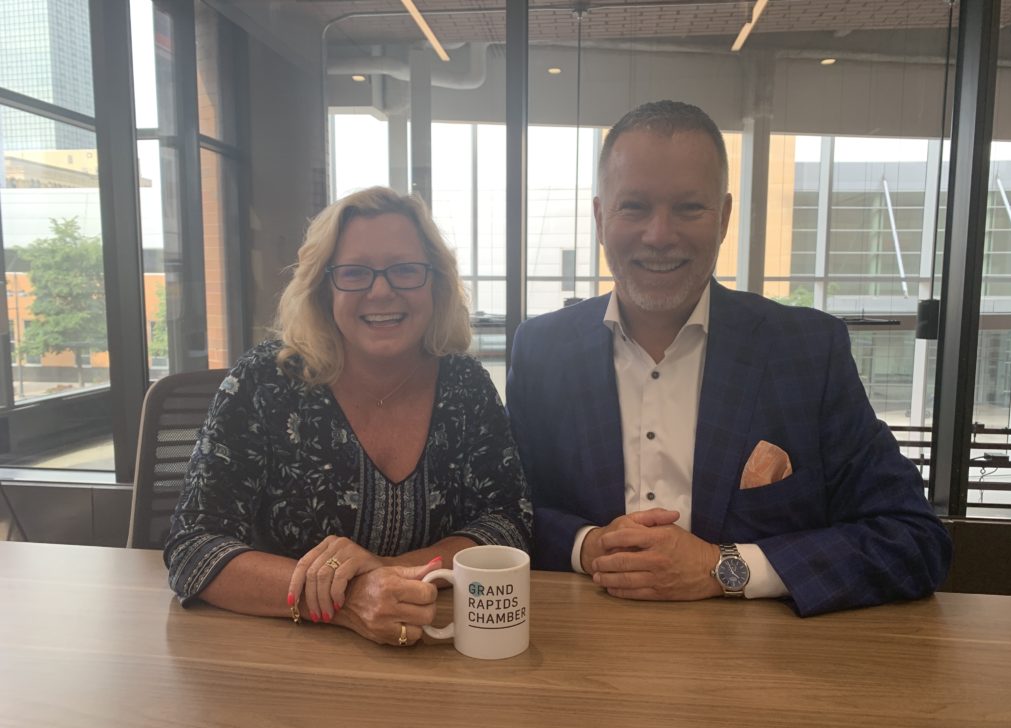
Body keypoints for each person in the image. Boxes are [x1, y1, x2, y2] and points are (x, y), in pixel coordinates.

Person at [506, 100, 951, 617]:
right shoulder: (542, 350)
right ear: (601, 217)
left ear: (723, 218)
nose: (659, 235)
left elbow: (914, 540)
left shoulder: (806, 350)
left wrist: (724, 568)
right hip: (585, 655)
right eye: (635, 207)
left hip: (765, 668)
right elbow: (513, 511)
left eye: (689, 208)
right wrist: (588, 546)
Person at [165, 186, 532, 644]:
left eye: (404, 270)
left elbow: (507, 522)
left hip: (434, 654)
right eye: (355, 273)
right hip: (280, 659)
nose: (381, 291)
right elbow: (193, 547)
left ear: (434, 283)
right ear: (323, 288)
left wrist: (386, 573)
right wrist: (347, 598)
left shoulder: (465, 385)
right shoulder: (264, 383)